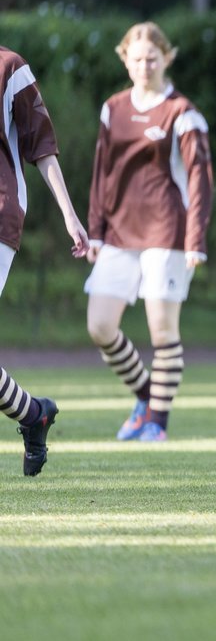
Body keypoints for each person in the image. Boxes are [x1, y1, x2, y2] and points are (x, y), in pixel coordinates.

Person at [84, 22, 213, 442]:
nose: (144, 65)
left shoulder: (182, 112)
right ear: (125, 59)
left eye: (152, 58)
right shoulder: (113, 108)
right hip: (119, 234)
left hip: (167, 232)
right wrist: (95, 231)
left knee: (162, 331)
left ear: (167, 58)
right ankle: (147, 398)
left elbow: (200, 180)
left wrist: (196, 239)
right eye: (137, 58)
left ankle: (157, 423)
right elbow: (101, 173)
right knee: (100, 326)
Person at [1, 45, 90, 475]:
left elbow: (42, 146)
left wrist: (70, 215)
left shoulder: (9, 67)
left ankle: (34, 414)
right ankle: (34, 414)